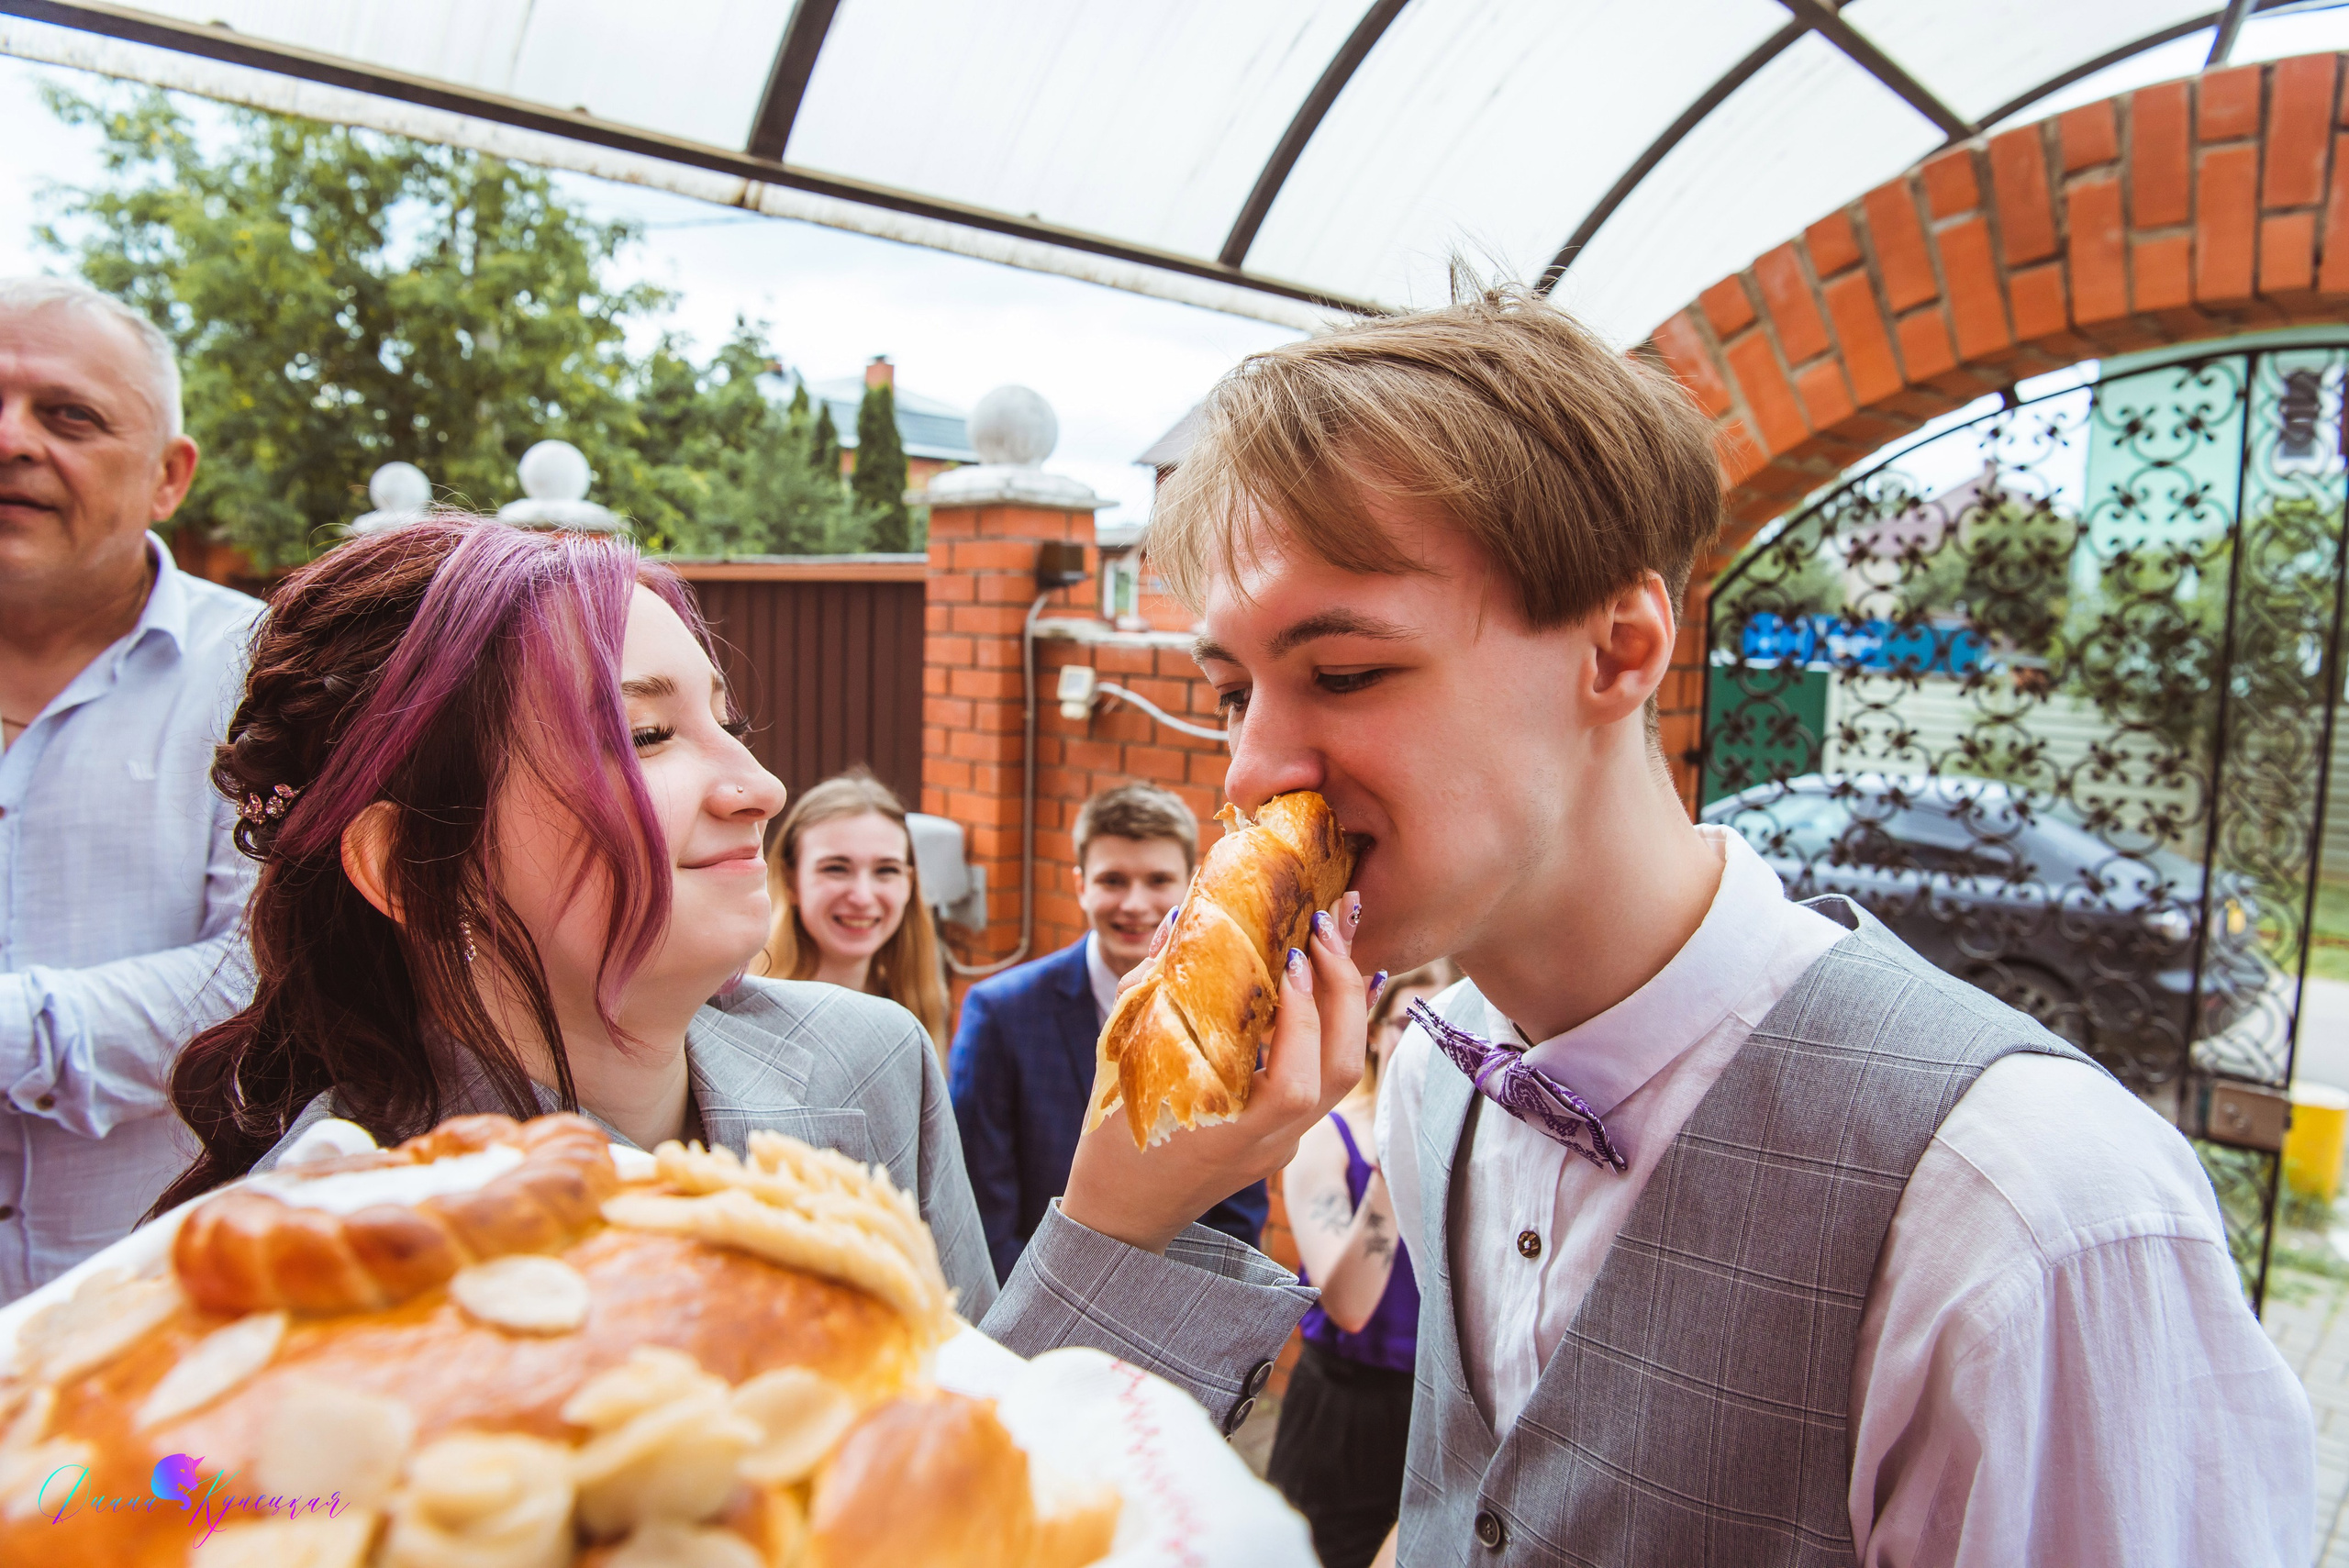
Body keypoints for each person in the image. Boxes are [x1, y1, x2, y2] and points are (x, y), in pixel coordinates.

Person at [1145, 288, 2312, 1563]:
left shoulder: (2027, 1208)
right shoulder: (1432, 1070)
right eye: (1228, 689)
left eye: (1346, 672)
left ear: (1620, 646)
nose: (1251, 771)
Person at [159, 517, 1366, 1434]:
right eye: (642, 735)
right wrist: (1115, 1221)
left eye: (722, 718)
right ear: (407, 863)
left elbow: (987, 1467)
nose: (755, 785)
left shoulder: (867, 1063)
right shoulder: (301, 1273)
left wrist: (1133, 1214)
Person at [0, 276, 260, 1302]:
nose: (12, 439)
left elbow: (262, 978)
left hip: (156, 1311)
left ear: (169, 475)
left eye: (68, 415)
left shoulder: (263, 672)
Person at [950, 782, 1269, 1282]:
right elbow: (982, 1205)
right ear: (1080, 885)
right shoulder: (1001, 1013)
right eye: (1113, 880)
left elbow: (1238, 1205)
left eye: (1158, 880)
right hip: (1038, 1309)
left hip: (1169, 1316)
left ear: (1193, 882)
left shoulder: (1224, 1016)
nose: (1135, 904)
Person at [1268, 959, 1454, 1568]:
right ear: (1375, 1032)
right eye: (1411, 1022)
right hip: (1343, 1411)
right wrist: (1397, 1154)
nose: (1428, 1043)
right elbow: (1348, 1307)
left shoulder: (1472, 1142)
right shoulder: (1326, 1136)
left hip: (1434, 1407)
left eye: (1445, 1025)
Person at [753, 768, 949, 1057]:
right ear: (791, 880)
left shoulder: (921, 1005)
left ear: (909, 884)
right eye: (836, 868)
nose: (862, 896)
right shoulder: (747, 1015)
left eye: (886, 870)